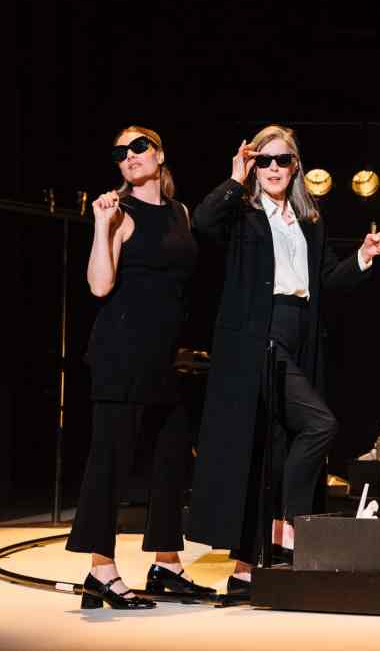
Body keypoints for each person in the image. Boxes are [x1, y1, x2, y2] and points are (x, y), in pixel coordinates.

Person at [187, 125, 380, 597]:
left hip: (301, 335)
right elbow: (202, 223)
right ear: (254, 165)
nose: (273, 168)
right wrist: (235, 178)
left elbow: (327, 281)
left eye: (282, 160)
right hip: (259, 337)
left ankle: (245, 571)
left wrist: (362, 256)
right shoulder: (242, 212)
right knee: (318, 424)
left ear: (296, 165)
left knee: (272, 449)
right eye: (264, 161)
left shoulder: (308, 219)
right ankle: (288, 526)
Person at [68, 126, 213, 609]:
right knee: (110, 459)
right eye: (120, 152)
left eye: (138, 147)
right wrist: (100, 225)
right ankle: (101, 571)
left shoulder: (180, 212)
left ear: (159, 154)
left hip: (164, 355)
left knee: (171, 456)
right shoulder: (118, 211)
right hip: (121, 351)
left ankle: (167, 563)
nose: (129, 156)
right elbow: (99, 285)